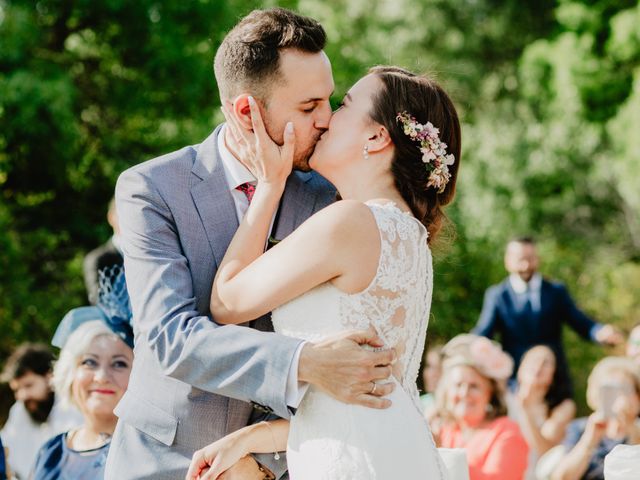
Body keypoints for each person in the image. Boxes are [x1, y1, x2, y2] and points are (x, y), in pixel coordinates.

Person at [107, 8, 398, 480]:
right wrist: (305, 363)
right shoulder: (152, 188)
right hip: (159, 461)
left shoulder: (332, 199)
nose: (326, 119)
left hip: (280, 466)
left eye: (328, 100)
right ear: (248, 111)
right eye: (308, 108)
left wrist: (261, 460)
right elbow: (170, 339)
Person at [186, 64, 461, 479]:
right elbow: (367, 403)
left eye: (345, 104)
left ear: (376, 136)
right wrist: (247, 439)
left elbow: (227, 302)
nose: (327, 117)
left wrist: (269, 185)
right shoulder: (409, 237)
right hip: (391, 452)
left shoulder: (350, 223)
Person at [473, 237, 623, 397]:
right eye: (520, 260)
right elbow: (483, 332)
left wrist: (600, 331)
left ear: (537, 259)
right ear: (508, 261)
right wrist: (462, 348)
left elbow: (581, 322)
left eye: (530, 259)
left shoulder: (556, 291)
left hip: (554, 380)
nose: (525, 265)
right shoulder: (497, 295)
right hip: (516, 383)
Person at [31, 317, 133, 479]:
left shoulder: (145, 454)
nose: (101, 377)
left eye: (119, 364)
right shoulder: (50, 453)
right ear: (70, 373)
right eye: (89, 362)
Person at [431, 334, 529, 480]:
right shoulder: (445, 431)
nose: (464, 393)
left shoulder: (506, 432)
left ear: (489, 393)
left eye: (474, 386)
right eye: (458, 385)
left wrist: (439, 456)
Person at [0, 345, 82, 479]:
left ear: (49, 377)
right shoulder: (20, 410)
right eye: (16, 390)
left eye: (28, 385)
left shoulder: (74, 407)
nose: (22, 396)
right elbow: (6, 449)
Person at [552, 357, 640, 480]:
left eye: (625, 390)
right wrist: (589, 440)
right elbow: (562, 477)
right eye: (610, 391)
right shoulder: (581, 427)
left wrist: (632, 431)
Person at [508, 345, 576, 479]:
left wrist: (524, 410)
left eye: (546, 362)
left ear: (554, 374)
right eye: (534, 360)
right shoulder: (503, 400)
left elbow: (545, 452)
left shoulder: (563, 407)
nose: (539, 365)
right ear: (521, 368)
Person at [83, 198, 124, 305]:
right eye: (122, 213)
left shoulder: (153, 253)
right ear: (111, 218)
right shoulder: (97, 259)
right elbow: (99, 300)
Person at [421, 344, 444, 415]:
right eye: (429, 366)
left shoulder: (455, 405)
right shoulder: (418, 403)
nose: (432, 374)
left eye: (439, 368)